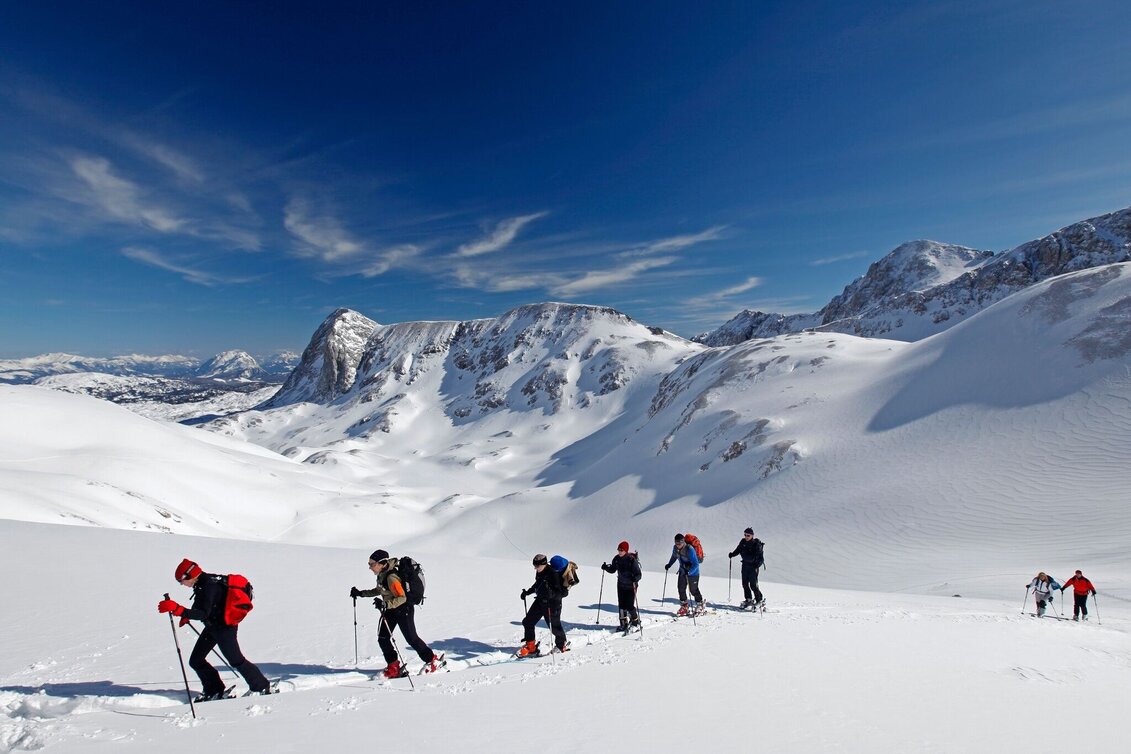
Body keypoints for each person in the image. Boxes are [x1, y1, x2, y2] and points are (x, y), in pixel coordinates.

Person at [157, 558, 274, 701]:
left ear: (189, 575)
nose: (181, 584)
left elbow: (203, 612)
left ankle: (261, 686)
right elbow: (206, 607)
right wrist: (186, 614)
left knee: (236, 660)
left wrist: (179, 610)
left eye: (180, 581)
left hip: (225, 628)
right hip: (213, 626)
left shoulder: (208, 586)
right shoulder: (203, 583)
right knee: (196, 661)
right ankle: (214, 689)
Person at [350, 549, 444, 678]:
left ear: (381, 563)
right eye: (369, 564)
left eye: (372, 564)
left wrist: (385, 604)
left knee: (412, 639)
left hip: (403, 609)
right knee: (383, 638)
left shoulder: (391, 577)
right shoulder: (383, 574)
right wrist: (361, 593)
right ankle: (393, 667)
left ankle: (433, 661)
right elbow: (380, 590)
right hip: (390, 610)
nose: (370, 567)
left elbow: (402, 597)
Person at [517, 553, 569, 656]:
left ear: (544, 564)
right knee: (528, 622)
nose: (535, 568)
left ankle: (561, 645)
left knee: (555, 627)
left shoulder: (553, 574)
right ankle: (531, 647)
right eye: (534, 566)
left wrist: (552, 594)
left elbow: (563, 593)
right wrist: (528, 592)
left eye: (537, 566)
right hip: (540, 601)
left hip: (553, 604)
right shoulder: (539, 572)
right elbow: (538, 584)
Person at [601, 541, 642, 632]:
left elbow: (639, 574)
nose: (619, 551)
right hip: (620, 585)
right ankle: (623, 623)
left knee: (629, 605)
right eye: (618, 549)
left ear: (626, 550)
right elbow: (612, 569)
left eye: (621, 550)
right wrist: (606, 567)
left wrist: (634, 579)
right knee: (621, 605)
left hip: (631, 586)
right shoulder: (616, 559)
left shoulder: (631, 560)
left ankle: (635, 621)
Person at [665, 533, 705, 616]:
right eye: (676, 543)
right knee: (681, 588)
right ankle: (684, 606)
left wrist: (690, 571)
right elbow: (674, 556)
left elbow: (696, 564)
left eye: (679, 543)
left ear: (683, 542)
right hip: (683, 571)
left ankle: (700, 605)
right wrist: (669, 564)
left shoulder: (689, 549)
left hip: (693, 572)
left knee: (693, 590)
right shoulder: (675, 548)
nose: (677, 545)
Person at [728, 527, 765, 609]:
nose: (746, 536)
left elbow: (761, 558)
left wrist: (757, 565)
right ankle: (748, 599)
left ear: (752, 535)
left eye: (748, 535)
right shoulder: (743, 542)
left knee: (753, 585)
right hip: (745, 565)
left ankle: (759, 600)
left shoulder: (756, 544)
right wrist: (732, 554)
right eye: (745, 534)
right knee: (744, 584)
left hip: (753, 567)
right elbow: (738, 550)